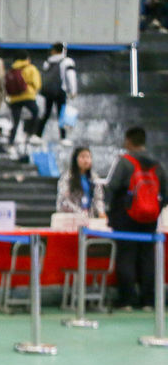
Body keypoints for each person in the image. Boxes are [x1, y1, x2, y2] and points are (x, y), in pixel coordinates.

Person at [105, 127, 167, 311]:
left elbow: (112, 187)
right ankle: (148, 300)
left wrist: (110, 212)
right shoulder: (157, 165)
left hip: (126, 218)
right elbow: (165, 192)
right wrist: (155, 210)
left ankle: (127, 300)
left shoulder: (125, 162)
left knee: (126, 256)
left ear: (128, 141)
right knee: (148, 257)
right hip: (150, 219)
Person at [39, 42, 78, 144]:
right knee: (61, 114)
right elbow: (71, 76)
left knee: (46, 113)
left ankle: (38, 135)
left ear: (53, 50)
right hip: (61, 91)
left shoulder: (47, 62)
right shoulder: (67, 61)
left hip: (49, 91)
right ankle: (63, 137)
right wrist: (73, 91)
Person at [5, 49, 41, 148]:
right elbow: (37, 84)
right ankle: (31, 134)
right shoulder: (31, 68)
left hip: (14, 98)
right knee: (35, 113)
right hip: (28, 96)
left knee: (15, 121)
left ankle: (11, 142)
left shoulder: (12, 69)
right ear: (27, 58)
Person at [57, 146, 106, 218]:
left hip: (89, 216)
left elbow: (98, 198)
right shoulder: (67, 177)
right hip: (71, 217)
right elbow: (64, 200)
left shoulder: (94, 178)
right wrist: (80, 213)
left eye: (88, 157)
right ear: (75, 159)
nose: (86, 160)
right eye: (82, 157)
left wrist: (101, 212)